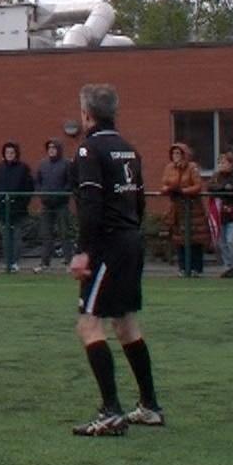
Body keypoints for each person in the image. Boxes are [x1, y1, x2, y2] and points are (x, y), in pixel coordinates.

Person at [67, 83, 162, 437]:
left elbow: (90, 205)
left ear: (87, 114)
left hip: (106, 245)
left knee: (89, 324)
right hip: (130, 240)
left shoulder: (88, 150)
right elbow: (139, 202)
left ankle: (111, 411)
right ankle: (149, 406)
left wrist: (83, 251)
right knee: (125, 323)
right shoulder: (129, 149)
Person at [0, 141, 35, 273]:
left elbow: (29, 188)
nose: (9, 155)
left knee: (16, 236)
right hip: (2, 209)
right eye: (7, 152)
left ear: (16, 154)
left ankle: (14, 262)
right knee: (5, 237)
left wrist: (22, 203)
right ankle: (7, 262)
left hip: (18, 209)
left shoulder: (23, 168)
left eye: (12, 152)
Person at [160, 142, 205, 277]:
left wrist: (183, 191)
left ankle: (196, 268)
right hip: (177, 208)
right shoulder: (169, 168)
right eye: (174, 153)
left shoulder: (192, 167)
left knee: (195, 238)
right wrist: (168, 189)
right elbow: (164, 184)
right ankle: (182, 267)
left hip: (192, 207)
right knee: (179, 238)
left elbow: (198, 186)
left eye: (178, 153)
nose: (176, 156)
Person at [206, 148, 233, 277]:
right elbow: (210, 187)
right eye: (219, 163)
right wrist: (224, 187)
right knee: (221, 241)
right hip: (220, 214)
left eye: (224, 162)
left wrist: (223, 189)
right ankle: (227, 266)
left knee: (231, 240)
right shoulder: (216, 176)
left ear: (231, 164)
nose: (221, 165)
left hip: (232, 213)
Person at [34, 139, 72, 273]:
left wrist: (61, 194)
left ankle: (69, 262)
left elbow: (70, 182)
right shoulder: (43, 165)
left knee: (65, 234)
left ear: (59, 150)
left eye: (54, 148)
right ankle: (45, 263)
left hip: (61, 205)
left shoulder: (67, 164)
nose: (51, 150)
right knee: (46, 235)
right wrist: (41, 193)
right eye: (49, 148)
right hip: (46, 205)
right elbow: (37, 182)